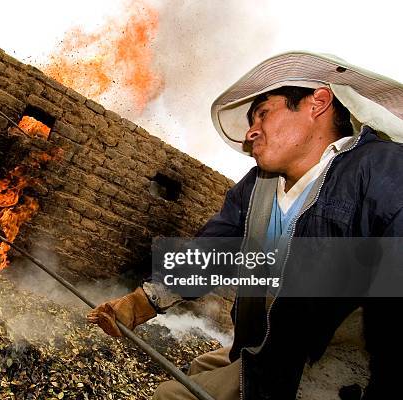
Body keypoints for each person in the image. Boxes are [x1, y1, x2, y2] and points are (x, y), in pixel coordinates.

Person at [87, 52, 403, 400]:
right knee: (199, 368)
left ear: (318, 103)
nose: (251, 133)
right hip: (268, 339)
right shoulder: (258, 187)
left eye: (263, 114)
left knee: (170, 396)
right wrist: (139, 304)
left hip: (335, 365)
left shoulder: (382, 170)